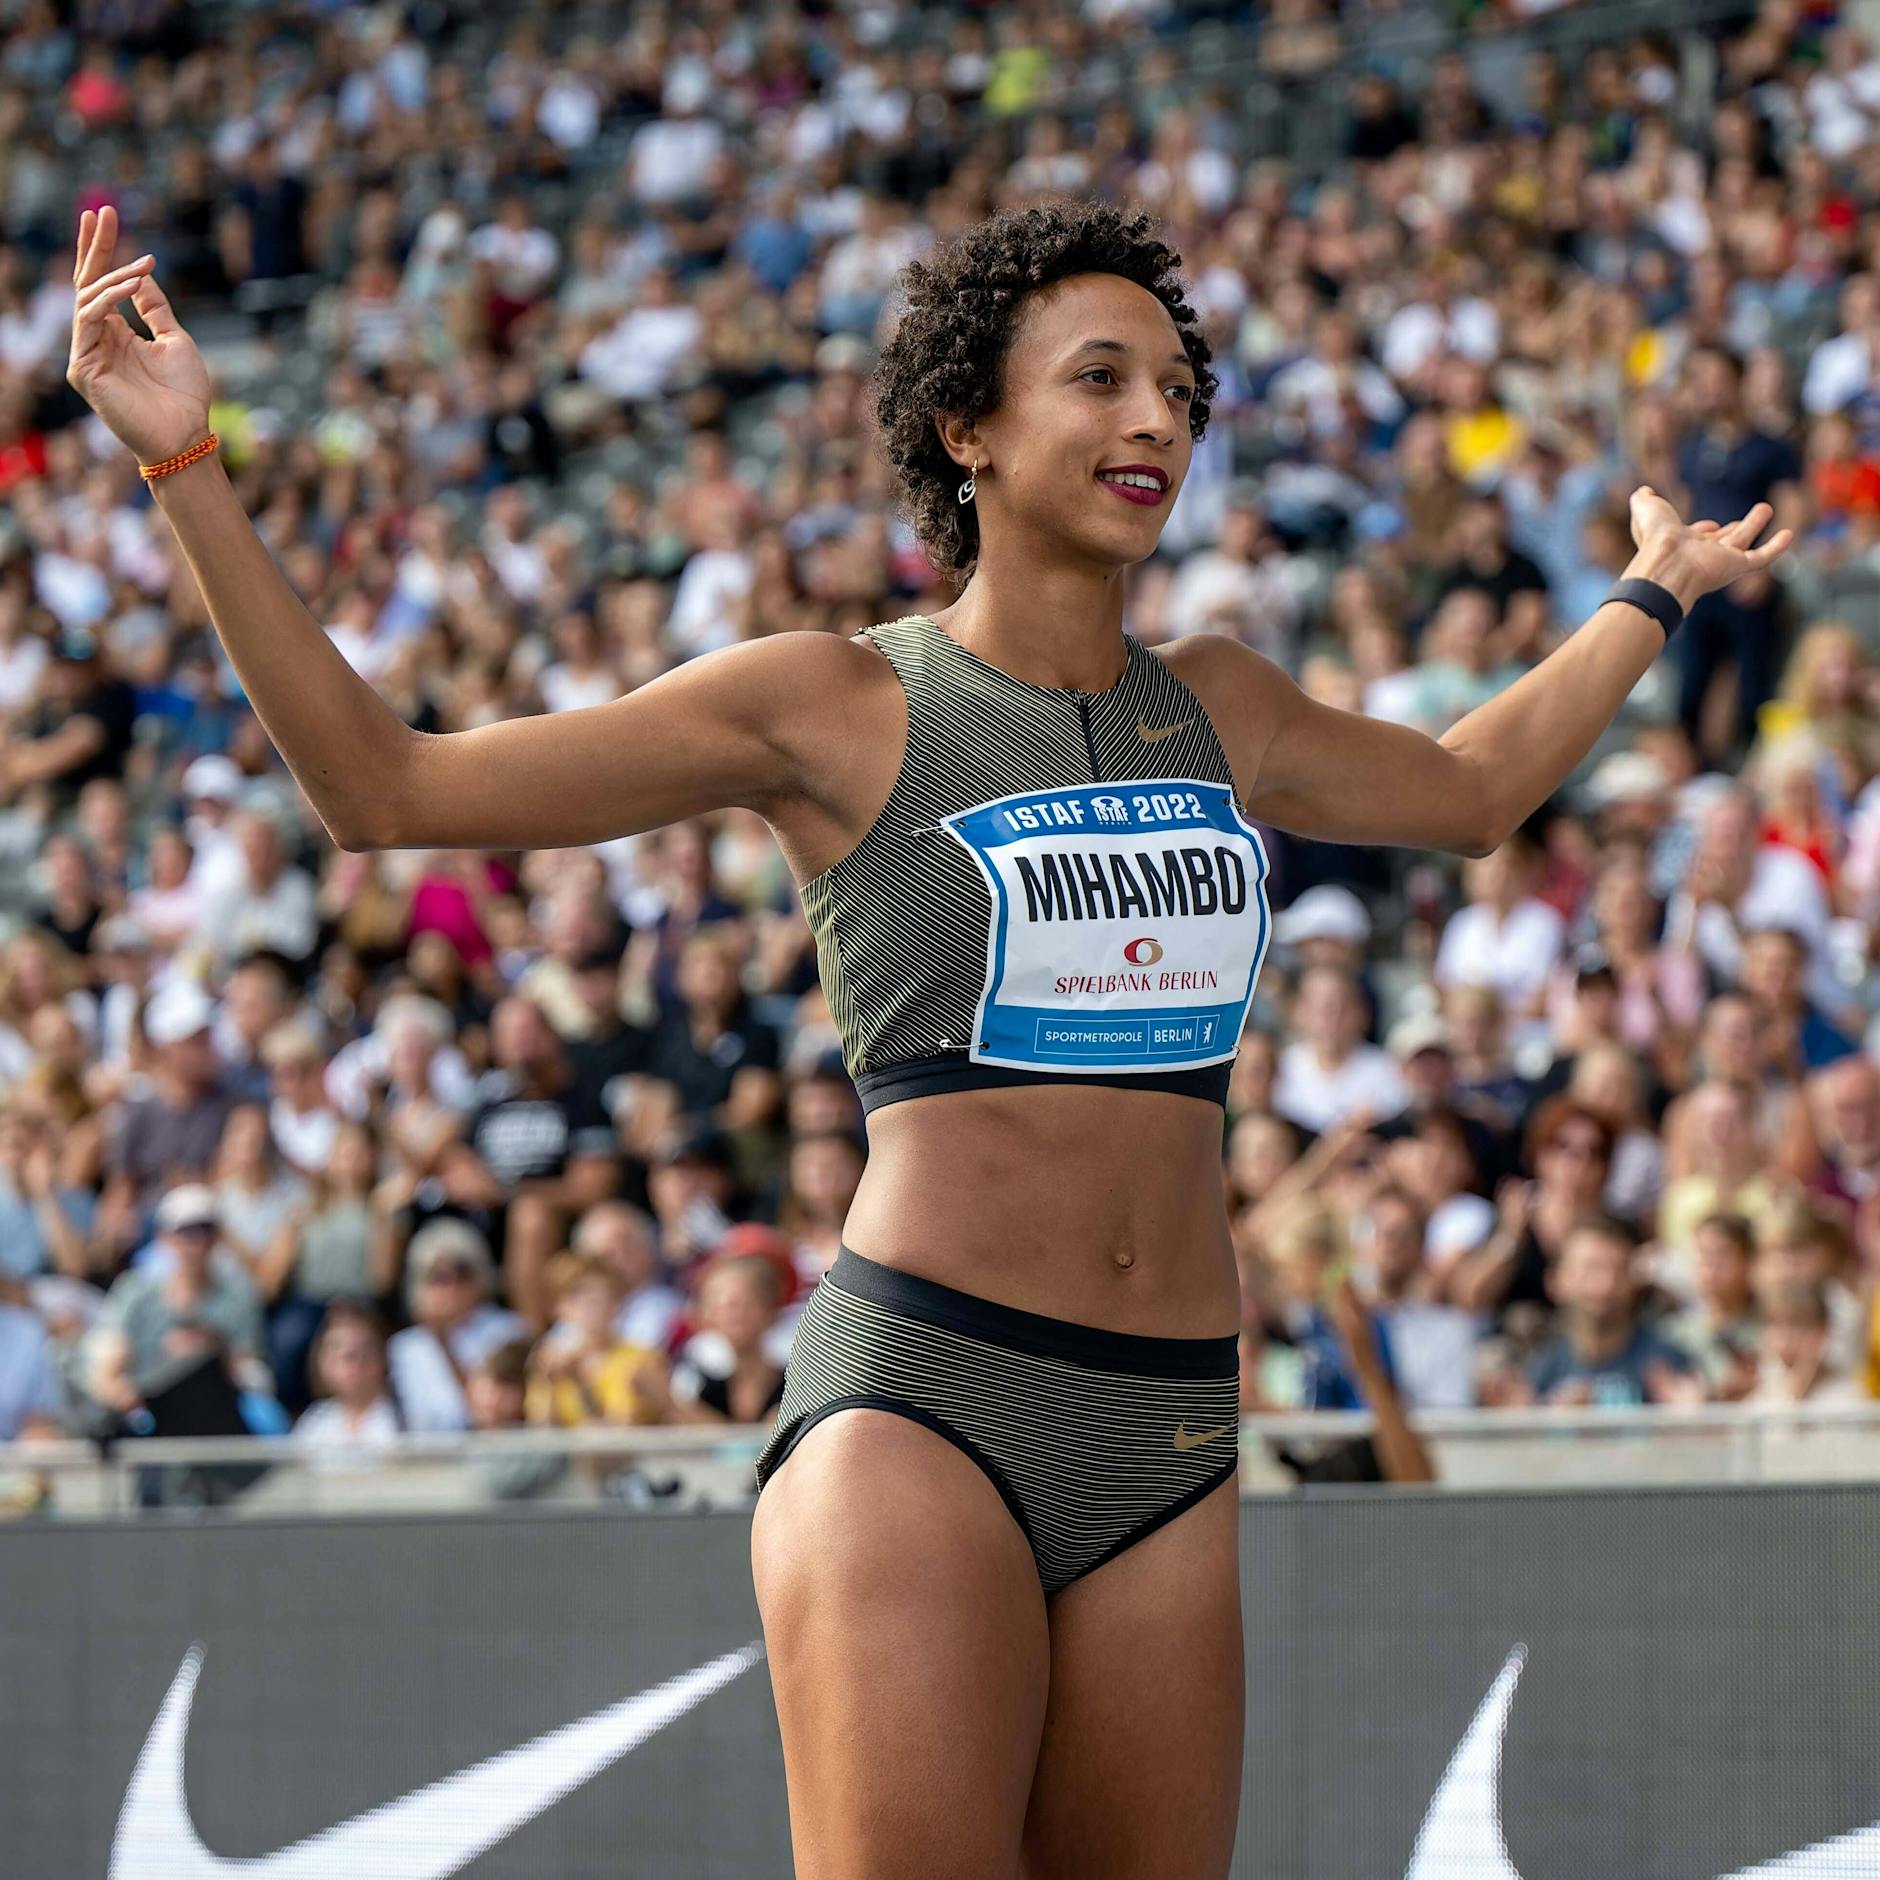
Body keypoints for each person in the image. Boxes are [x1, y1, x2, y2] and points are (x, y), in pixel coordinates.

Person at [67, 197, 1791, 1880]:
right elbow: (387, 787)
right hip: (922, 1409)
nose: (1154, 422)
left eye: (1178, 396)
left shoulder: (1225, 703)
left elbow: (1481, 792)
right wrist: (184, 467)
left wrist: (1647, 593)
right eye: (1101, 380)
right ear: (966, 425)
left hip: (1172, 1427)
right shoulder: (831, 703)